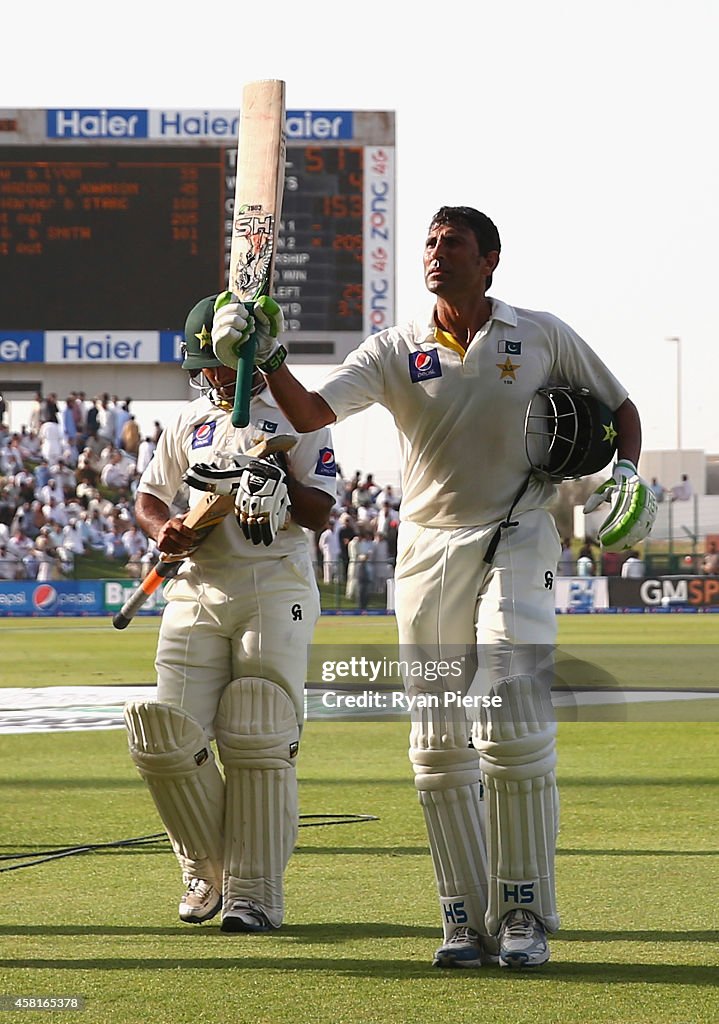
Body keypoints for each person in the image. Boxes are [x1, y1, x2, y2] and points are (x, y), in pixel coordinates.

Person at [211, 205, 655, 969]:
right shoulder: (394, 348)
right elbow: (315, 411)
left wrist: (622, 470)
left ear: (490, 261)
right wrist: (266, 353)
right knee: (436, 746)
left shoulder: (538, 332)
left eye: (452, 243)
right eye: (428, 242)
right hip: (424, 552)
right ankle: (461, 918)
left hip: (518, 532)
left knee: (510, 717)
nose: (434, 253)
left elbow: (619, 406)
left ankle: (520, 916)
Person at [123, 294, 336, 935]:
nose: (209, 378)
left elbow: (320, 511)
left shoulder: (297, 416)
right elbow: (149, 497)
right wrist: (165, 531)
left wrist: (276, 473)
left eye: (215, 365)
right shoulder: (190, 421)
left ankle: (255, 891)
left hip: (275, 585)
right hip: (195, 587)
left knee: (259, 733)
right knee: (165, 738)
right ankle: (204, 866)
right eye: (204, 367)